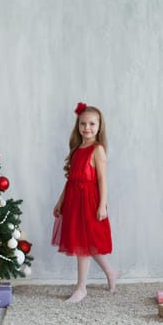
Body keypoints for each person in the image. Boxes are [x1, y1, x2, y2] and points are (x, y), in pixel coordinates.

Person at [52, 102, 118, 303]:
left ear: (99, 127)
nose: (87, 128)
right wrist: (60, 201)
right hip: (73, 199)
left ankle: (81, 288)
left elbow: (101, 179)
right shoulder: (77, 148)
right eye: (83, 124)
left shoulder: (97, 149)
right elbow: (70, 179)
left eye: (91, 124)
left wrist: (102, 205)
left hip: (89, 200)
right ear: (78, 125)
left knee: (84, 243)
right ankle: (111, 272)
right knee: (87, 243)